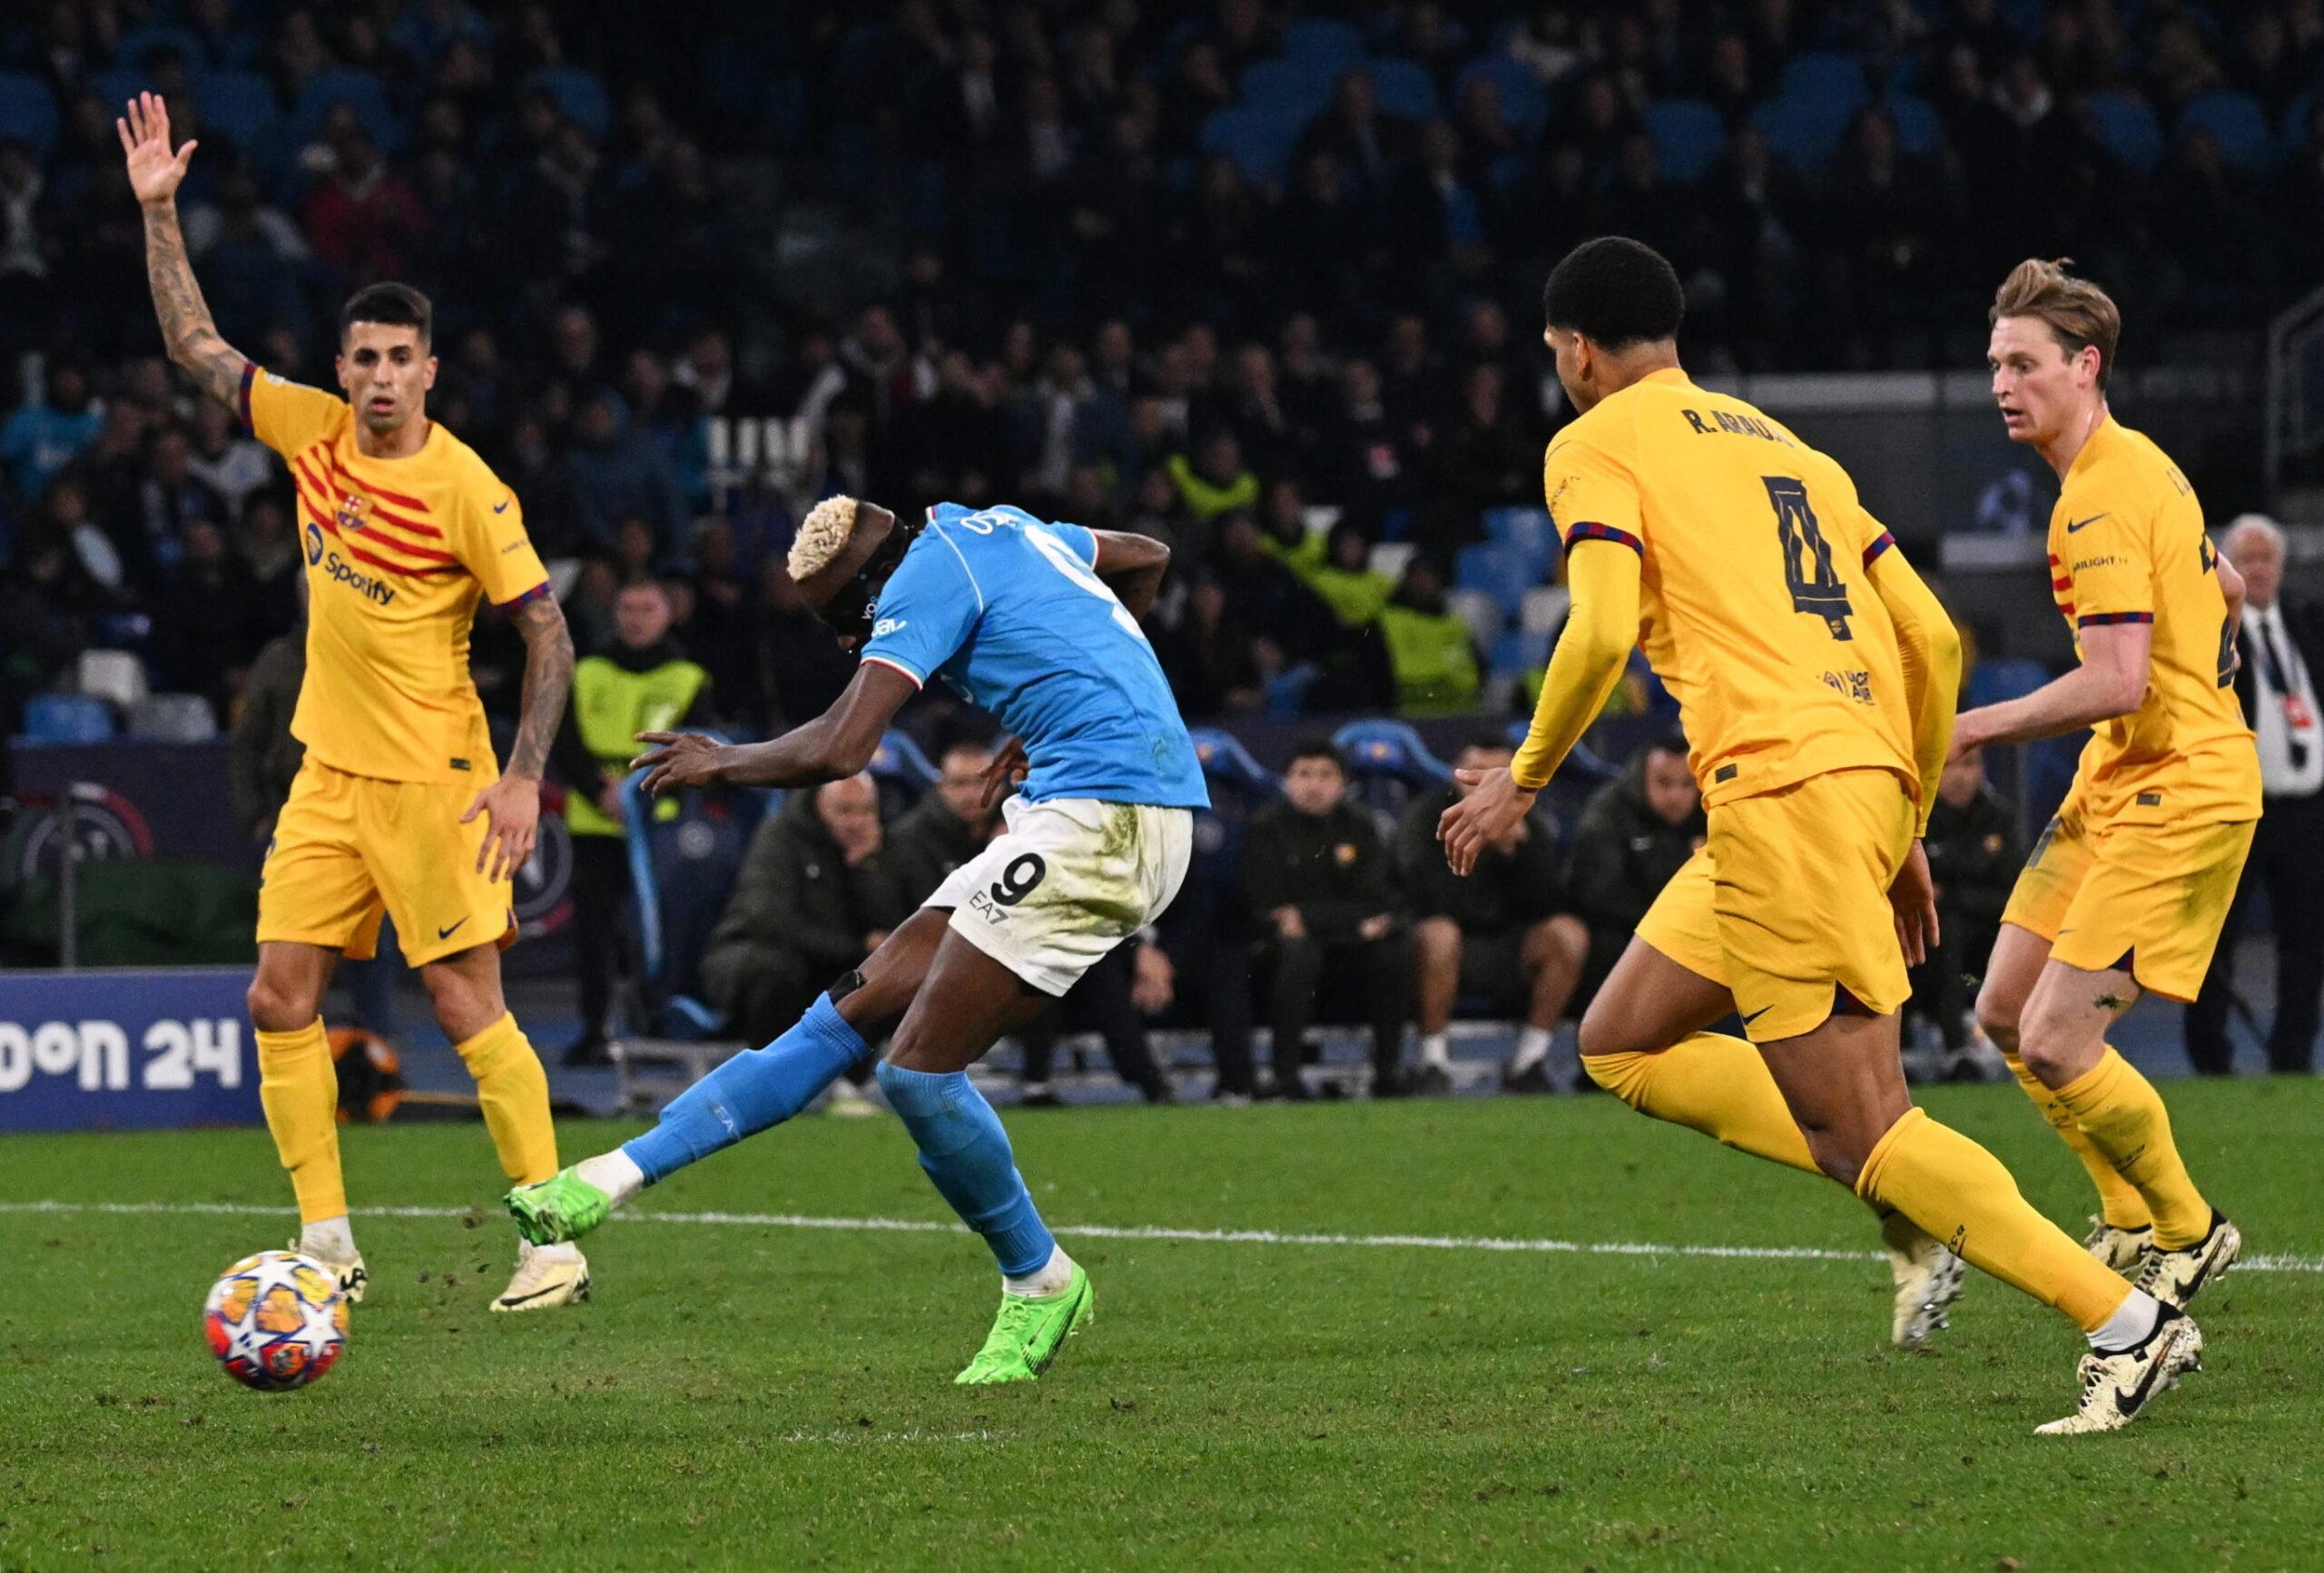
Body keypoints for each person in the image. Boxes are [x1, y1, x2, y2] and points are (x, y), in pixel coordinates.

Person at [1440, 237, 2189, 1435]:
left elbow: (1596, 629)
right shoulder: (1787, 445)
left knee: (1869, 1126)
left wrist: (1523, 781)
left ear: (1575, 350)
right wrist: (1901, 819)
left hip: (1779, 792)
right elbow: (1934, 641)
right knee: (1624, 1039)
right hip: (1836, 785)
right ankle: (1915, 1216)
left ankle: (2125, 1323)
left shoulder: (1592, 443)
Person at [507, 496, 1205, 1385]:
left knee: (914, 1071)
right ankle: (603, 1179)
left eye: (847, 625)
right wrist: (1055, 718)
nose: (848, 645)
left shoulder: (919, 578)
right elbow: (1146, 555)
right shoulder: (997, 526)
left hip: (1112, 820)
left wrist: (724, 758)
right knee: (845, 1014)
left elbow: (841, 747)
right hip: (1077, 807)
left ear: (871, 587)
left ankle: (1041, 1278)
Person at [123, 93, 586, 1312]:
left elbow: (547, 630)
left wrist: (525, 773)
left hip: (438, 781)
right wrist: (161, 211)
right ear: (343, 370)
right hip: (327, 774)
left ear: (429, 371)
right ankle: (326, 1237)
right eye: (363, 359)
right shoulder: (311, 432)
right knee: (277, 994)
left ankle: (551, 1234)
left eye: (400, 359)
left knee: (460, 999)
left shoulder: (466, 490)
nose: (380, 377)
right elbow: (195, 347)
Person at [1957, 259, 2253, 1309]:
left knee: (2054, 1036)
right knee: (2000, 1013)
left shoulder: (2095, 502)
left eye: (2023, 363)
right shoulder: (2137, 469)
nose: (2001, 382)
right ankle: (2126, 1215)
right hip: (2117, 778)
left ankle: (2189, 1227)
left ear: (2084, 366)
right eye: (1994, 362)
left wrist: (1971, 725)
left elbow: (2117, 677)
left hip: (2178, 789)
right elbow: (2222, 580)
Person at [555, 578, 713, 1066]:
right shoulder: (585, 671)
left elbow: (697, 744)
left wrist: (635, 794)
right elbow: (565, 741)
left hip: (657, 824)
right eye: (626, 607)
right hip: (594, 822)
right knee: (594, 935)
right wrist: (601, 791)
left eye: (647, 608)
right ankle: (595, 1030)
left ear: (668, 614)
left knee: (657, 931)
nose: (635, 618)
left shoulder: (689, 676)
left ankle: (658, 1025)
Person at [2189, 514, 2324, 1074]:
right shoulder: (2212, 631)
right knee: (2214, 939)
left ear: (2282, 566)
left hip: (2307, 811)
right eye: (2247, 560)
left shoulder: (2307, 623)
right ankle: (2210, 1059)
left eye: (2268, 559)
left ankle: (2292, 1058)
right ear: (2227, 569)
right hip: (2239, 809)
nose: (2260, 570)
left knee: (2307, 942)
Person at [701, 773, 908, 1116]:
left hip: (828, 967)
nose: (857, 822)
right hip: (747, 958)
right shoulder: (780, 836)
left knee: (886, 975)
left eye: (865, 811)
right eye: (845, 811)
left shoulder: (881, 848)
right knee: (778, 969)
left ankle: (846, 1081)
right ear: (820, 806)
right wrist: (854, 946)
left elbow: (891, 926)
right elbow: (768, 920)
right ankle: (772, 1083)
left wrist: (866, 869)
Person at [1398, 733, 1588, 1095]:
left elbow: (1549, 904)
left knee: (1568, 934)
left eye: (1495, 772)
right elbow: (1419, 896)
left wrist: (1516, 851)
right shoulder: (1426, 816)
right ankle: (1433, 1063)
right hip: (1441, 947)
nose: (1482, 781)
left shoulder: (1531, 822)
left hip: (1510, 947)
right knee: (1440, 934)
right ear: (1457, 775)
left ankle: (1528, 1061)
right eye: (1474, 771)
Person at [1240, 741, 1410, 1097]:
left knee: (1393, 951)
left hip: (1348, 952)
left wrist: (1306, 917)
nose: (1313, 785)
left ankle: (1388, 1074)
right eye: (1303, 774)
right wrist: (1351, 926)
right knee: (1297, 951)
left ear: (1343, 784)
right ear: (1286, 780)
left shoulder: (1361, 827)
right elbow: (1265, 908)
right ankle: (1286, 1077)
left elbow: (1375, 903)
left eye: (1325, 775)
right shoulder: (1265, 829)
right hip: (1278, 954)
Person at [1563, 733, 1704, 1023]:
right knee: (1608, 945)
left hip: (1689, 928)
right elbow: (1598, 896)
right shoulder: (1607, 812)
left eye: (1687, 785)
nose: (1676, 796)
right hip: (1622, 928)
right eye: (1664, 783)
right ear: (1643, 777)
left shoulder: (1712, 812)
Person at [1905, 745, 2019, 1079]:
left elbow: (2013, 897)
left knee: (1950, 924)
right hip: (1926, 945)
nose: (1960, 776)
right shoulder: (1918, 823)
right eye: (1950, 767)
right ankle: (1915, 1048)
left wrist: (1951, 894)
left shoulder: (2000, 818)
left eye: (1970, 766)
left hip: (1987, 941)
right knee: (1938, 930)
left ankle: (1961, 1048)